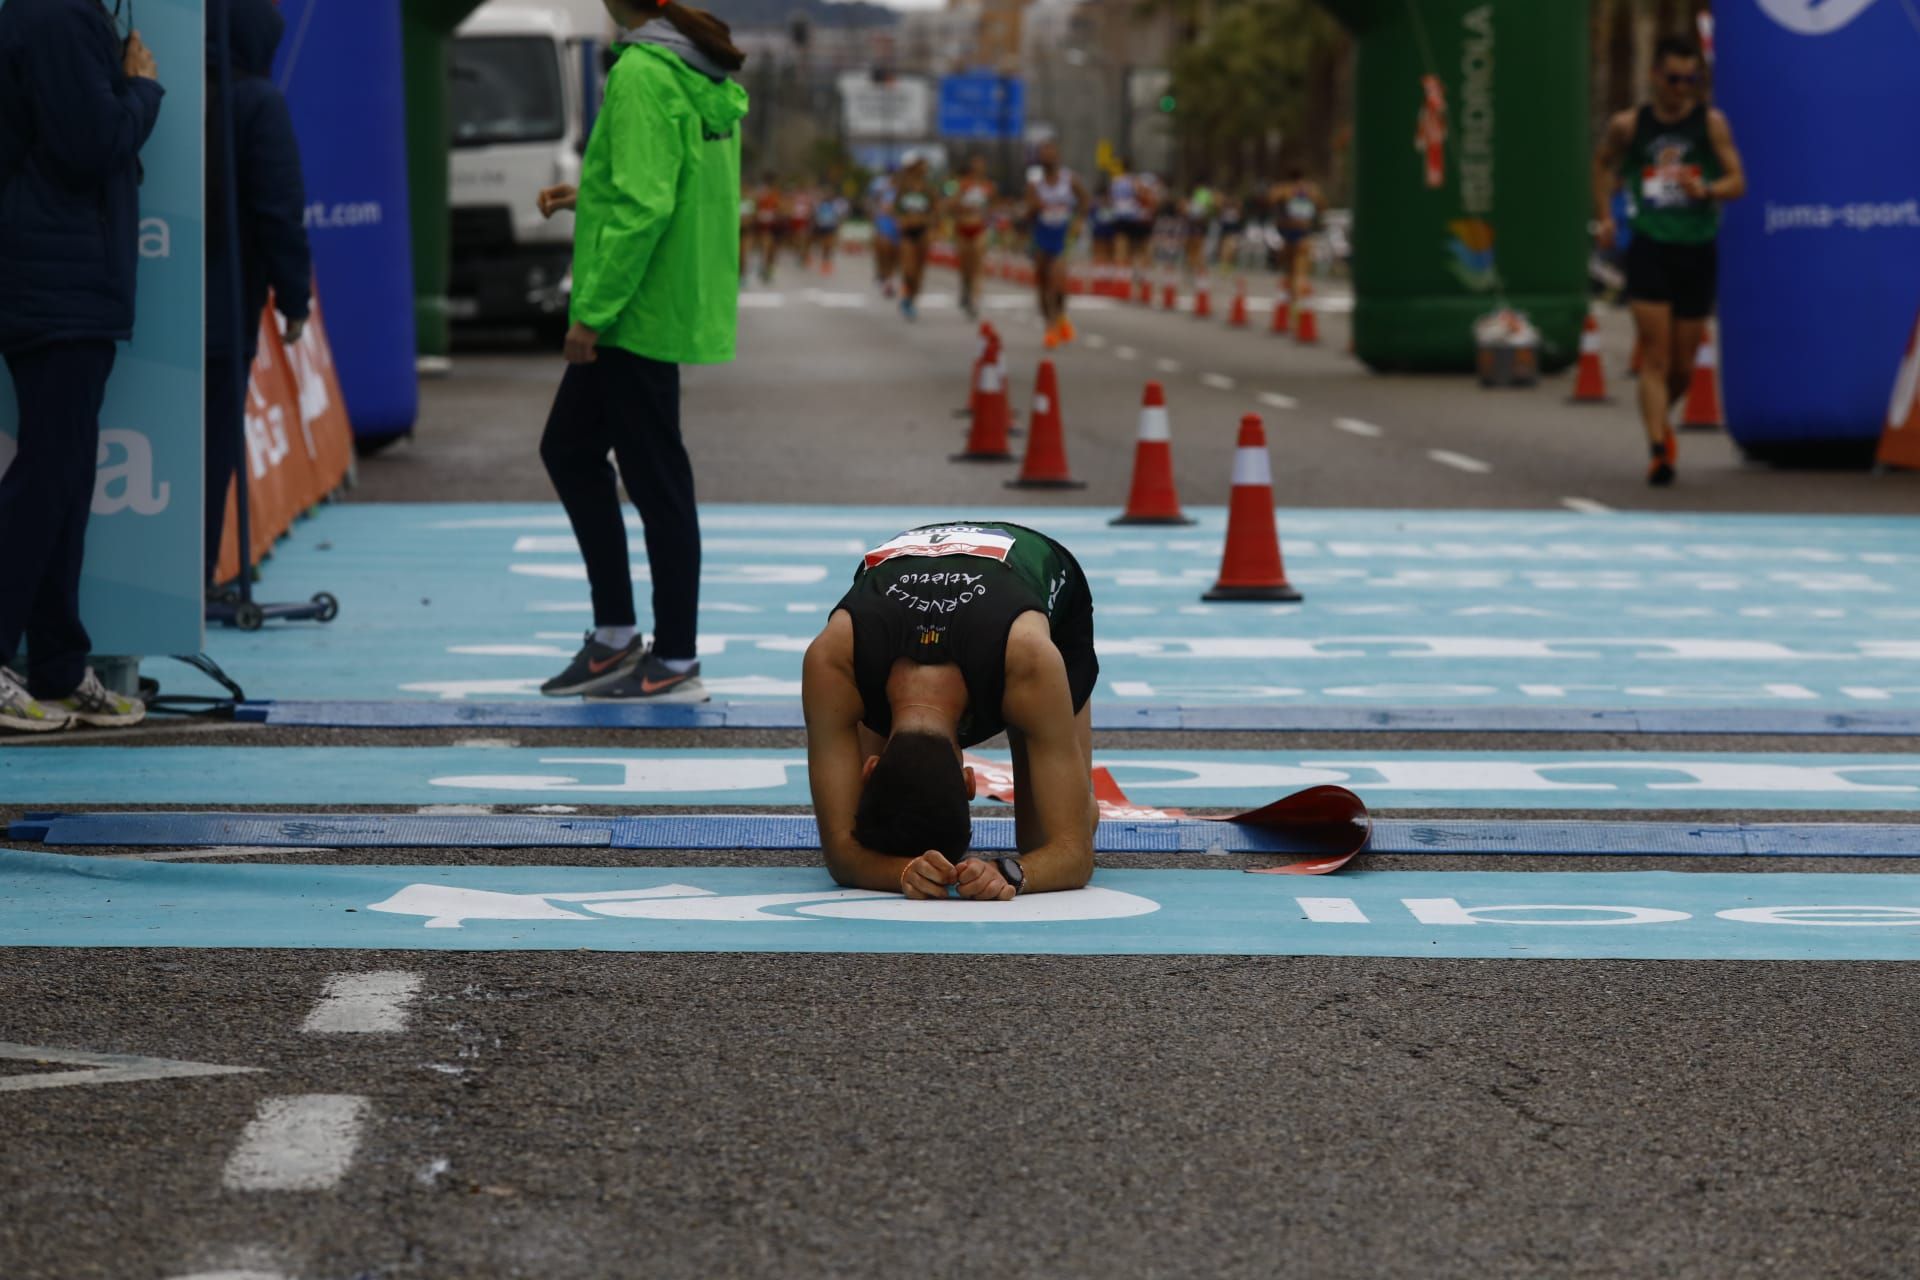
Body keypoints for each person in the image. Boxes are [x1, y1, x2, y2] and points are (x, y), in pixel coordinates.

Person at [531, 0, 748, 703]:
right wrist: (586, 193)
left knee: (654, 480)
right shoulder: (698, 69)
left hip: (633, 310)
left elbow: (645, 206)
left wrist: (589, 315)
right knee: (574, 452)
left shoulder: (642, 74)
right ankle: (617, 638)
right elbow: (656, 184)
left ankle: (673, 657)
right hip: (663, 300)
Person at [0, 0, 164, 732]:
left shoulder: (63, 13)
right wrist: (141, 88)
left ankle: (60, 667)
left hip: (65, 281)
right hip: (53, 282)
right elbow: (89, 144)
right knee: (49, 476)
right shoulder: (58, 16)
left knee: (63, 476)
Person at [802, 521, 1099, 901]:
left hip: (1036, 569)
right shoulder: (832, 659)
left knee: (1044, 834)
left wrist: (1006, 872)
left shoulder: (1029, 661)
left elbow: (1074, 856)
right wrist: (905, 870)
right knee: (877, 827)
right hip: (929, 565)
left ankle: (1080, 796)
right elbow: (842, 856)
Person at [1594, 34, 1745, 487]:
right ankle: (1659, 448)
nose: (1682, 88)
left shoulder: (1711, 124)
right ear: (1655, 76)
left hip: (1697, 247)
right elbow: (1602, 162)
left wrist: (1709, 190)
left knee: (1682, 365)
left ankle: (1661, 419)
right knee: (1655, 359)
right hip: (1650, 244)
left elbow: (1739, 181)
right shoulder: (1629, 125)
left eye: (1691, 79)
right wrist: (1605, 215)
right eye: (1675, 79)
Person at [204, 0, 312, 594]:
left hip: (153, 309)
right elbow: (279, 210)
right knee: (210, 448)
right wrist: (294, 298)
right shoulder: (258, 102)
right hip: (223, 311)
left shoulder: (167, 87)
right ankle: (196, 581)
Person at [1026, 142, 1087, 350]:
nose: (1048, 158)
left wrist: (1079, 221)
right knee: (1043, 281)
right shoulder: (1035, 184)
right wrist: (1035, 208)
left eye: (1051, 154)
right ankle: (1050, 325)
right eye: (1044, 155)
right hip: (1042, 234)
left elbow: (1085, 201)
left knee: (1059, 282)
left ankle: (1059, 315)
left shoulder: (1070, 180)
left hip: (1062, 235)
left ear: (1058, 157)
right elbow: (1028, 212)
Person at [949, 153, 995, 319]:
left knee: (977, 266)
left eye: (981, 165)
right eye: (976, 164)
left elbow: (992, 207)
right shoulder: (963, 184)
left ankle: (975, 299)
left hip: (979, 229)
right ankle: (965, 289)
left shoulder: (988, 186)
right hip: (963, 228)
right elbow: (952, 204)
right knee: (965, 266)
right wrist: (961, 204)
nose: (979, 168)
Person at [891, 154, 935, 321]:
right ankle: (907, 294)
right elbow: (895, 208)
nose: (924, 170)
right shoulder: (903, 187)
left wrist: (928, 221)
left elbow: (935, 210)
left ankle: (911, 300)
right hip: (907, 233)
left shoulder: (928, 189)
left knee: (919, 271)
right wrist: (901, 220)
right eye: (921, 166)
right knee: (908, 269)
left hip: (922, 231)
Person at [1271, 168, 1321, 302]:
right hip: (1301, 230)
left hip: (1286, 230)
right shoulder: (1310, 189)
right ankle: (1297, 302)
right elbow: (1320, 203)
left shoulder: (1282, 189)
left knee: (1290, 269)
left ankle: (1292, 299)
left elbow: (1271, 200)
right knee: (1300, 270)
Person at [866, 167, 900, 298]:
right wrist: (874, 216)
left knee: (895, 253)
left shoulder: (902, 189)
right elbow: (872, 202)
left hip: (897, 224)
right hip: (884, 222)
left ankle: (889, 280)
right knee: (883, 249)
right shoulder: (879, 186)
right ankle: (882, 274)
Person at [749, 171, 783, 284]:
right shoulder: (760, 193)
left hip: (775, 226)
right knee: (765, 246)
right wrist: (757, 215)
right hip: (764, 226)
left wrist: (778, 213)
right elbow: (755, 206)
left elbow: (780, 207)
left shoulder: (776, 193)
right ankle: (764, 267)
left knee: (772, 250)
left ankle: (768, 267)